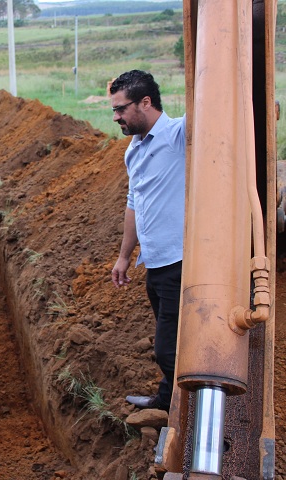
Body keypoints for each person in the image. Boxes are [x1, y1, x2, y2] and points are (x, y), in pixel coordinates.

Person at [109, 70, 186, 413]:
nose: (116, 117)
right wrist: (125, 257)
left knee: (169, 349)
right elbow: (134, 204)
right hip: (153, 263)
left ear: (145, 102)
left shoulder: (179, 135)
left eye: (121, 109)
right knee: (171, 342)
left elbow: (213, 109)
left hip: (181, 262)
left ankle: (193, 412)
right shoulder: (134, 150)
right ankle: (168, 400)